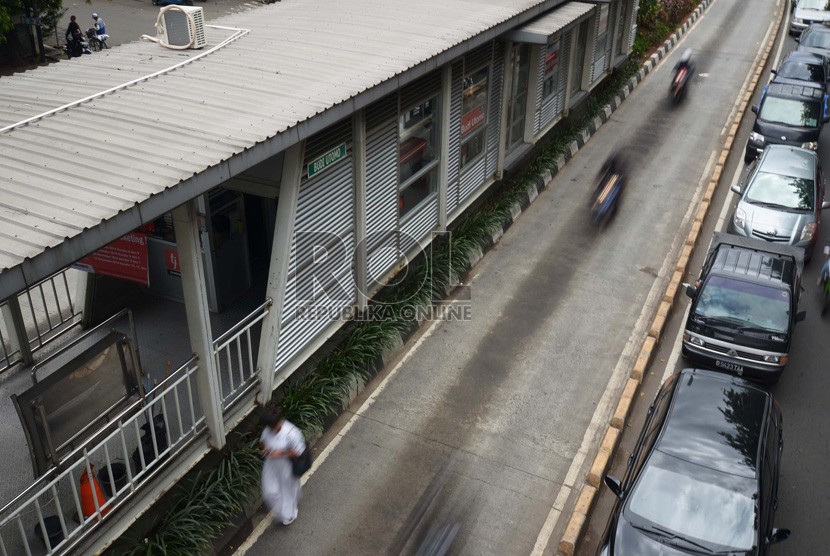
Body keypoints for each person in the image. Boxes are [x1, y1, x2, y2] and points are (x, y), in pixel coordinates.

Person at [259, 409, 305, 526]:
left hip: (287, 465)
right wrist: (264, 449)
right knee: (270, 490)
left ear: (280, 422)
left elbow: (299, 452)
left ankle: (290, 514)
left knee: (287, 490)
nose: (271, 430)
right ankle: (290, 499)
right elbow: (263, 442)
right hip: (271, 464)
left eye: (273, 427)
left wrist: (280, 453)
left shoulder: (291, 433)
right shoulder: (267, 429)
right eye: (269, 427)